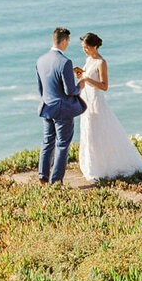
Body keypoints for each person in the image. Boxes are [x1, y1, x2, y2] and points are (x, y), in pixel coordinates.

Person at [75, 32, 142, 182]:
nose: (85, 50)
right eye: (83, 48)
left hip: (96, 101)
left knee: (101, 131)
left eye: (87, 47)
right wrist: (81, 76)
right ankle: (94, 164)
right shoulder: (88, 60)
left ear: (95, 46)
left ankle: (106, 166)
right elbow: (86, 78)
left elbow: (104, 86)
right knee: (90, 132)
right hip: (86, 99)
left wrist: (87, 79)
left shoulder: (101, 63)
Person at [35, 27, 87, 185]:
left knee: (47, 142)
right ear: (64, 41)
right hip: (62, 110)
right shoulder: (65, 62)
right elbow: (70, 90)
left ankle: (42, 177)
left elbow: (40, 88)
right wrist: (81, 85)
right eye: (68, 42)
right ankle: (56, 180)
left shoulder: (40, 60)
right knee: (63, 145)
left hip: (46, 107)